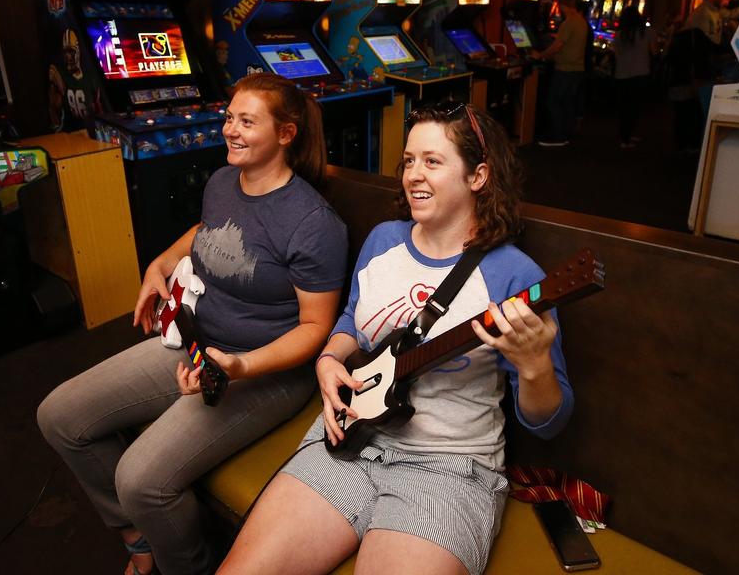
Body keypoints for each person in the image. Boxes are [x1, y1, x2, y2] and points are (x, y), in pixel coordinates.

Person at [219, 102, 575, 575]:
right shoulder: (384, 239)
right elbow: (350, 321)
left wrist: (533, 366)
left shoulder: (515, 276)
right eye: (408, 161)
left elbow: (549, 423)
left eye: (432, 161)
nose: (413, 175)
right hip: (352, 438)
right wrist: (329, 359)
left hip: (448, 470)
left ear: (478, 176)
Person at [37, 73, 348, 575]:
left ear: (286, 134)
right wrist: (157, 264)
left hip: (264, 371)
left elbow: (316, 329)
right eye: (230, 117)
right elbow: (207, 230)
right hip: (197, 343)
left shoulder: (313, 223)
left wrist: (239, 366)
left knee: (141, 480)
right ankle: (137, 538)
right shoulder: (224, 181)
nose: (231, 130)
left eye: (248, 121)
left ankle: (188, 567)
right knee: (60, 416)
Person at [530, 0, 589, 147]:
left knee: (553, 102)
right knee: (567, 102)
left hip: (565, 69)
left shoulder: (568, 23)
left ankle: (558, 136)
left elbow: (556, 47)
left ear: (563, 5)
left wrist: (540, 55)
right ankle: (566, 133)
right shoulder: (581, 22)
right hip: (578, 69)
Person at [612, 5, 657, 149]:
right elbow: (654, 51)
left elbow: (616, 54)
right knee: (634, 107)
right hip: (640, 72)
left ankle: (623, 136)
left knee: (624, 107)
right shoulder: (647, 32)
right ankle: (627, 136)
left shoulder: (619, 34)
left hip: (622, 73)